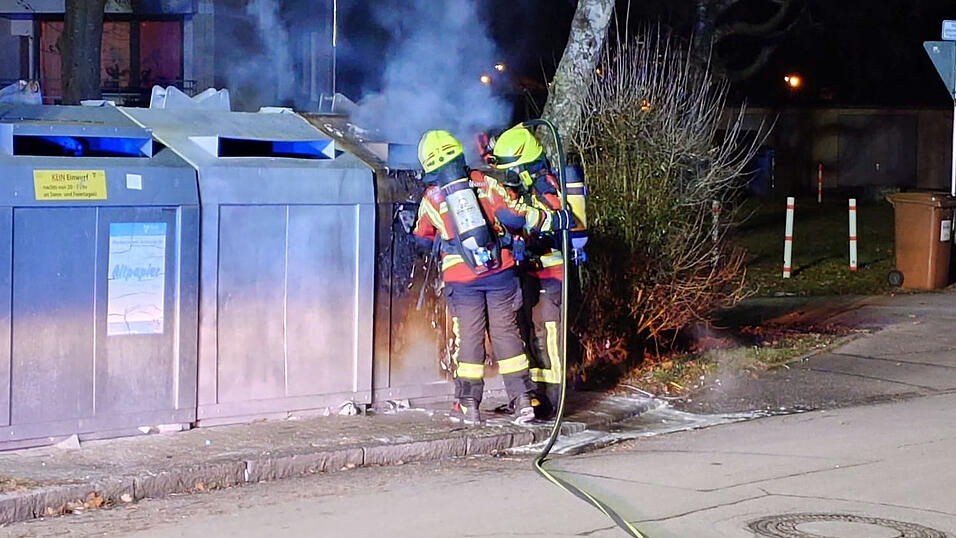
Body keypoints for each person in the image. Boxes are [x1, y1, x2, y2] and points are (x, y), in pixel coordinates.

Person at [412, 129, 573, 426]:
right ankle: (523, 400)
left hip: (462, 280)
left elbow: (422, 235)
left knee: (470, 339)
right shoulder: (483, 182)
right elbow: (515, 214)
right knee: (506, 334)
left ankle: (468, 404)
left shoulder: (431, 198)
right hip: (501, 273)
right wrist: (554, 219)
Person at [490, 125, 566, 417]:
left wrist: (526, 236)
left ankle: (555, 403)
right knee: (530, 335)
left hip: (550, 274)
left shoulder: (545, 186)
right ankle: (533, 398)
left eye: (513, 170)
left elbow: (557, 223)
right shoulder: (530, 185)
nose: (511, 177)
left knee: (548, 338)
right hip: (532, 273)